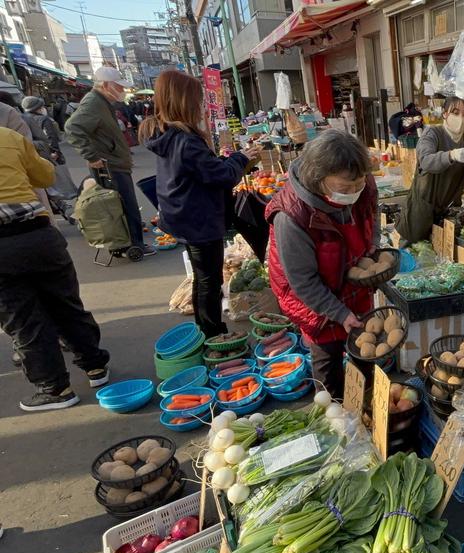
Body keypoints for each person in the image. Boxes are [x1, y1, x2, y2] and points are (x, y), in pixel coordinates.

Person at [0, 126, 111, 411]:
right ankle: (95, 367)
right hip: (38, 235)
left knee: (25, 321)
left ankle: (55, 389)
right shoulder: (8, 136)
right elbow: (45, 175)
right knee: (66, 304)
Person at [140, 70, 258, 337]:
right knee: (209, 279)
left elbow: (208, 171)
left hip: (183, 213)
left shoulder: (167, 134)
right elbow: (221, 176)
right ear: (185, 101)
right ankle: (212, 334)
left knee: (203, 276)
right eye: (198, 99)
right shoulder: (185, 140)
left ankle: (207, 329)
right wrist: (240, 158)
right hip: (198, 218)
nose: (201, 105)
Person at [265, 130, 378, 395]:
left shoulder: (362, 183)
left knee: (366, 350)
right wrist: (339, 313)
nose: (353, 193)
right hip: (312, 298)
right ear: (319, 178)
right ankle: (336, 412)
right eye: (344, 188)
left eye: (358, 184)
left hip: (350, 280)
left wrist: (372, 245)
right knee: (329, 362)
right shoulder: (292, 217)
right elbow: (303, 282)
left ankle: (369, 402)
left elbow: (371, 213)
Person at [66, 66, 154, 256]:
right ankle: (132, 244)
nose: (122, 91)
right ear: (105, 85)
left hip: (114, 161)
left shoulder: (102, 102)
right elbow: (72, 127)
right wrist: (92, 155)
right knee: (124, 205)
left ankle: (126, 241)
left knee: (120, 205)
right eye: (119, 87)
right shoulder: (93, 103)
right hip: (110, 165)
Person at [395, 96, 464, 243]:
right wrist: (451, 155)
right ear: (445, 114)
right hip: (422, 205)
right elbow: (426, 161)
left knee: (444, 250)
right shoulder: (432, 134)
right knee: (413, 245)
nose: (460, 118)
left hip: (450, 207)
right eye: (455, 112)